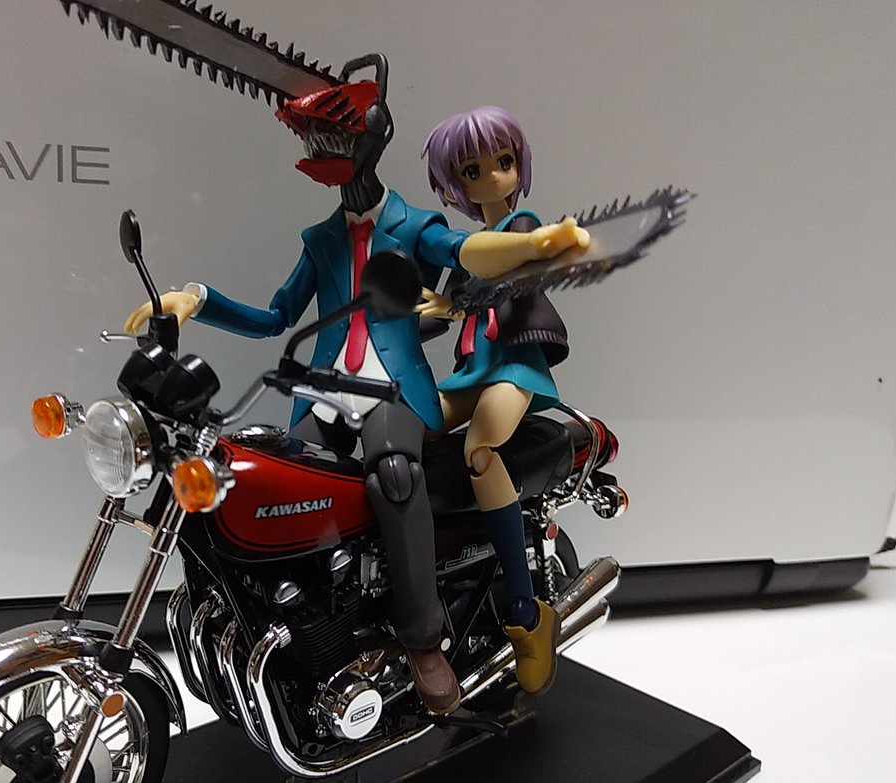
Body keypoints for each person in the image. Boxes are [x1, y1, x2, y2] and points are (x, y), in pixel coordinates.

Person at [127, 69, 587, 714]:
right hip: (323, 391)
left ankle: (423, 641)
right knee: (270, 481)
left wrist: (527, 244)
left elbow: (464, 250)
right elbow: (275, 317)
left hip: (392, 393)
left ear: (370, 140)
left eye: (334, 139)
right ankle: (288, 622)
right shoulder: (320, 241)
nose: (323, 152)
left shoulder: (414, 225)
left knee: (395, 476)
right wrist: (197, 300)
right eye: (315, 141)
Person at [419, 105, 577, 694]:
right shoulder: (465, 247)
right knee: (415, 421)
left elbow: (525, 254)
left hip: (514, 366)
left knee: (480, 448)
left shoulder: (520, 224)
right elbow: (438, 309)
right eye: (472, 170)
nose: (491, 176)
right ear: (454, 183)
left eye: (503, 161)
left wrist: (549, 243)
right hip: (472, 370)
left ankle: (526, 612)